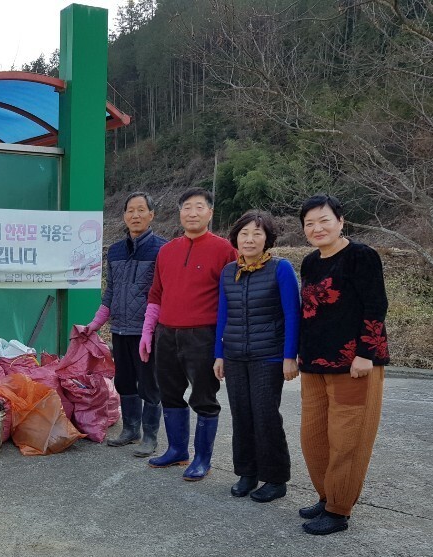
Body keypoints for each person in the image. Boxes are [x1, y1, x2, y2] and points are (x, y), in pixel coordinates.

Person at [296, 194, 389, 535]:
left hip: (355, 364)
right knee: (314, 437)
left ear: (340, 221)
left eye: (323, 220)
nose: (317, 228)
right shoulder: (309, 262)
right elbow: (308, 314)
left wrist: (366, 353)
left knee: (347, 437)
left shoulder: (361, 256)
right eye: (309, 224)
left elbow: (375, 305)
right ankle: (326, 495)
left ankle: (338, 509)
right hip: (315, 364)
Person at [140, 188, 237, 478]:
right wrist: (148, 332)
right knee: (169, 392)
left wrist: (224, 342)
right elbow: (156, 294)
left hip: (203, 335)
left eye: (198, 207)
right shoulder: (167, 251)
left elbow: (231, 298)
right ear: (179, 213)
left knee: (204, 396)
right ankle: (176, 450)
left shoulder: (224, 250)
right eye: (186, 208)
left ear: (210, 212)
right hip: (167, 334)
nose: (192, 213)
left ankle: (202, 459)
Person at [213, 211, 300, 503]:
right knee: (241, 415)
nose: (250, 239)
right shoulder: (228, 271)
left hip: (269, 356)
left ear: (268, 239)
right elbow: (222, 316)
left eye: (257, 234)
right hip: (235, 356)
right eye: (244, 234)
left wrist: (290, 356)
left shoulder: (281, 268)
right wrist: (219, 354)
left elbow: (292, 314)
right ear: (236, 237)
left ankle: (276, 479)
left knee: (265, 416)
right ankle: (247, 473)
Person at [82, 192, 166, 456]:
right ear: (124, 216)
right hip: (119, 328)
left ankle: (150, 436)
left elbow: (164, 292)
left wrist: (154, 328)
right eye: (131, 210)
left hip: (146, 331)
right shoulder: (116, 251)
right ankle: (131, 429)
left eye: (141, 210)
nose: (136, 215)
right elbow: (111, 292)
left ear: (152, 215)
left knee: (149, 383)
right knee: (125, 381)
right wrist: (95, 324)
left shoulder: (163, 249)